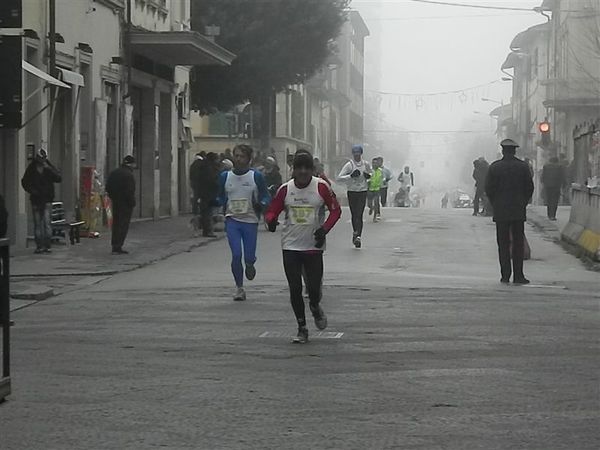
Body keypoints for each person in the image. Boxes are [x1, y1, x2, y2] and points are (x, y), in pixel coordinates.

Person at [265, 151, 342, 343]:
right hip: (290, 246)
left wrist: (324, 229)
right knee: (295, 288)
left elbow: (336, 210)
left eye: (307, 168)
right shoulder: (285, 189)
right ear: (294, 170)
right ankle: (302, 327)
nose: (303, 172)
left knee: (314, 290)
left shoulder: (321, 187)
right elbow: (273, 210)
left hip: (313, 247)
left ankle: (315, 307)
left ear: (312, 170)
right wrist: (271, 220)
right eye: (299, 168)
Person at [218, 144, 270, 301]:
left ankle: (250, 263)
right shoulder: (225, 176)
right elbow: (220, 196)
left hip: (250, 220)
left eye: (242, 156)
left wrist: (262, 203)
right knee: (236, 254)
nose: (238, 159)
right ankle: (239, 288)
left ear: (249, 159)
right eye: (236, 155)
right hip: (232, 220)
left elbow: (266, 196)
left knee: (248, 256)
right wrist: (214, 203)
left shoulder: (256, 176)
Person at [485, 139, 534, 285]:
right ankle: (518, 276)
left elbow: (488, 189)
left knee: (503, 244)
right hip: (518, 211)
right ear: (514, 151)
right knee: (518, 244)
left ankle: (505, 275)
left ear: (502, 151)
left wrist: (496, 204)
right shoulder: (523, 167)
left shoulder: (495, 167)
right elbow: (529, 188)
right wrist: (523, 202)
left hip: (501, 211)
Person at [21, 148, 62, 254]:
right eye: (41, 159)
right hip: (36, 199)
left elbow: (58, 178)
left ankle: (47, 245)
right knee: (38, 224)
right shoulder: (32, 168)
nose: (42, 161)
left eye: (44, 159)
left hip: (47, 199)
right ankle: (39, 246)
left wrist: (49, 168)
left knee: (47, 223)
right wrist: (32, 191)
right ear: (37, 158)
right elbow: (24, 182)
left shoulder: (48, 167)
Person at [337, 144, 371, 248]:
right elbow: (339, 178)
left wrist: (368, 176)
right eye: (355, 154)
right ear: (353, 154)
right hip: (352, 192)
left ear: (361, 154)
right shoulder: (349, 165)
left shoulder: (366, 164)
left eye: (358, 154)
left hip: (362, 191)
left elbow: (371, 175)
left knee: (359, 214)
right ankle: (355, 232)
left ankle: (358, 237)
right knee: (354, 214)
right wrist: (350, 176)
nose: (357, 156)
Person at [106, 155, 136, 255]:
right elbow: (129, 191)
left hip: (116, 202)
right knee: (123, 225)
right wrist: (132, 202)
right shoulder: (129, 175)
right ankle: (118, 246)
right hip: (125, 204)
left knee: (116, 224)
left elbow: (108, 187)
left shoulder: (114, 173)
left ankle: (114, 245)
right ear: (131, 164)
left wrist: (113, 197)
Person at [541, 156, 566, 221]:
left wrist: (544, 183)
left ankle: (549, 214)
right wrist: (564, 185)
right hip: (556, 186)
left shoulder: (545, 166)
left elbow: (542, 176)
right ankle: (553, 215)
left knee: (549, 200)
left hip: (548, 186)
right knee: (554, 201)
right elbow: (562, 176)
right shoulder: (559, 167)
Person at [367, 157, 383, 222]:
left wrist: (382, 186)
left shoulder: (380, 171)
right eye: (373, 163)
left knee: (376, 203)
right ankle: (371, 208)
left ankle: (375, 217)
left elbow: (382, 179)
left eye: (376, 163)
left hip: (377, 189)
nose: (375, 164)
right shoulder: (369, 170)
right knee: (369, 204)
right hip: (370, 189)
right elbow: (366, 178)